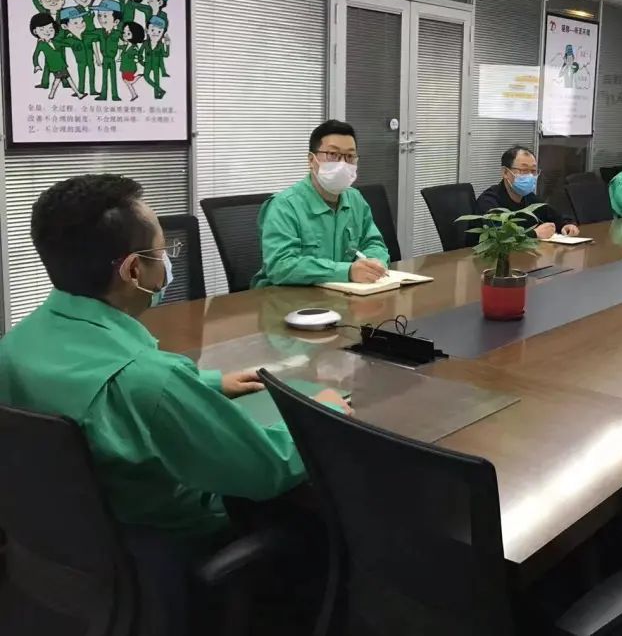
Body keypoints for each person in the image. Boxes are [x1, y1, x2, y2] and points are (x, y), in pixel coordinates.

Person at [0, 174, 351, 538]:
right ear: (133, 270)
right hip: (172, 542)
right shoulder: (150, 380)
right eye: (162, 251)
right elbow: (268, 469)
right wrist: (322, 417)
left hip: (59, 541)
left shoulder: (12, 347)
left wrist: (206, 384)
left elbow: (97, 395)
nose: (167, 260)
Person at [252, 120, 390, 288]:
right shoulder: (284, 206)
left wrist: (375, 262)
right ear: (312, 160)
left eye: (349, 156)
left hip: (344, 293)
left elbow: (374, 243)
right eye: (333, 154)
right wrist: (346, 272)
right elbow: (281, 266)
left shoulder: (355, 199)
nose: (342, 164)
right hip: (286, 297)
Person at [476, 145, 579, 239]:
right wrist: (535, 234)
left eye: (533, 171)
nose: (530, 176)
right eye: (524, 170)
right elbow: (497, 237)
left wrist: (567, 225)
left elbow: (556, 217)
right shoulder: (489, 201)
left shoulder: (530, 198)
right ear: (505, 172)